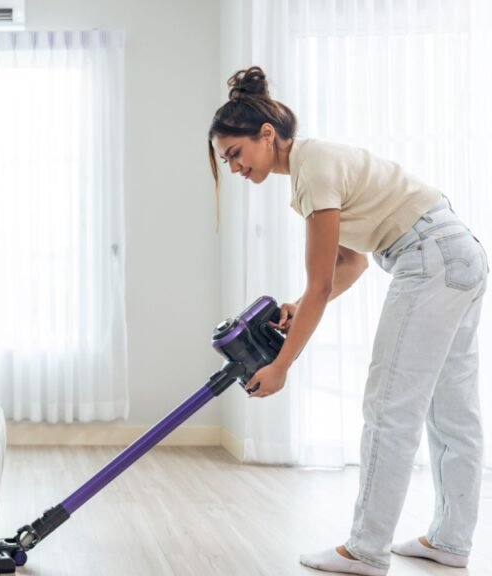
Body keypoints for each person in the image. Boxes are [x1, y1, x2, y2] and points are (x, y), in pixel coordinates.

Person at [208, 66, 487, 576]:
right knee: (453, 411)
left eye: (235, 153)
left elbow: (321, 285)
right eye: (226, 159)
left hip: (428, 258)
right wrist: (298, 306)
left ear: (266, 135)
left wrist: (282, 367)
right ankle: (450, 540)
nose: (233, 166)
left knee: (390, 407)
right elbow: (350, 263)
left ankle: (365, 549)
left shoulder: (313, 167)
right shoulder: (314, 166)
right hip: (459, 254)